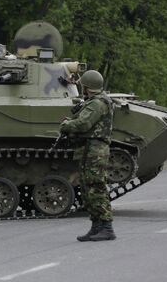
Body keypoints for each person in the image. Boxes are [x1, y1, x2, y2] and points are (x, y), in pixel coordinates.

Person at [60, 70, 116, 241]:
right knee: (87, 187)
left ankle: (107, 227)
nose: (82, 88)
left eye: (83, 86)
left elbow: (84, 124)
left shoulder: (97, 104)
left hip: (95, 151)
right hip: (89, 149)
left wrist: (67, 125)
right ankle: (96, 226)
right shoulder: (95, 101)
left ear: (88, 87)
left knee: (96, 186)